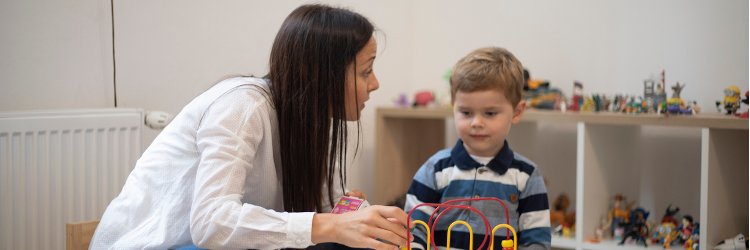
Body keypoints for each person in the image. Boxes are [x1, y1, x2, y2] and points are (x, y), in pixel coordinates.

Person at [90, 4, 410, 250]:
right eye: (366, 71)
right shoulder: (243, 108)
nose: (375, 84)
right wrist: (329, 225)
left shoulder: (315, 124)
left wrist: (351, 217)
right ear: (323, 74)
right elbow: (211, 224)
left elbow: (323, 214)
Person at [404, 47, 551, 250]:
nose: (476, 122)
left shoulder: (527, 176)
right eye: (466, 112)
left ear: (517, 112)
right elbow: (413, 229)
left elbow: (536, 241)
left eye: (490, 113)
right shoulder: (435, 168)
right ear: (453, 107)